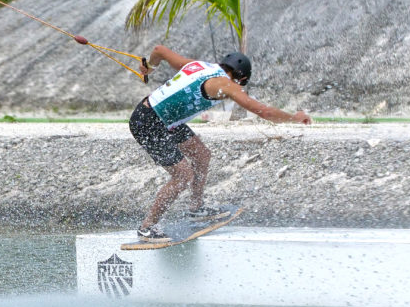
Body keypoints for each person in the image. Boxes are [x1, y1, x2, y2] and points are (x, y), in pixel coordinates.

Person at [129, 45, 312, 242]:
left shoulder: (198, 66)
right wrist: (294, 118)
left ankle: (196, 208)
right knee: (183, 175)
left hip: (165, 119)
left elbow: (159, 50)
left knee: (201, 155)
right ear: (241, 78)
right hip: (147, 122)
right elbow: (265, 112)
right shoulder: (227, 85)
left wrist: (150, 66)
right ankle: (147, 227)